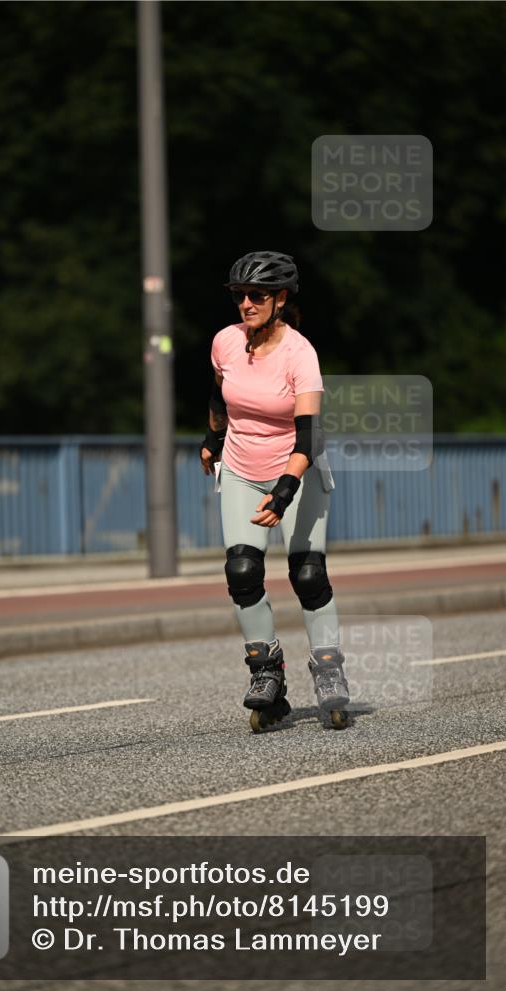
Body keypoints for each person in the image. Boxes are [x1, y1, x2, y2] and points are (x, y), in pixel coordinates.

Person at [200, 250, 350, 731]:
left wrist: (285, 490)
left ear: (280, 299)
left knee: (307, 574)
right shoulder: (226, 342)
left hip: (296, 470)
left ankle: (328, 671)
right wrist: (212, 439)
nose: (246, 303)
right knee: (242, 570)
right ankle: (267, 674)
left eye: (257, 295)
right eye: (239, 295)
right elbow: (219, 394)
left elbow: (308, 436)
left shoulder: (299, 354)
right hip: (243, 469)